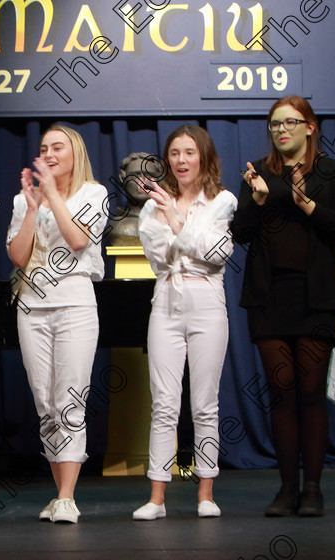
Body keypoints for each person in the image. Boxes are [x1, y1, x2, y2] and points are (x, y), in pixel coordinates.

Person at [233, 96, 335, 517]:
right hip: (269, 299)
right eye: (273, 125)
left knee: (310, 392)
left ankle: (313, 489)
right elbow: (240, 233)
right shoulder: (258, 173)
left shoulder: (330, 172)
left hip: (316, 299)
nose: (280, 130)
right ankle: (286, 489)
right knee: (282, 391)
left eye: (289, 122)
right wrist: (261, 199)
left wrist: (305, 203)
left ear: (310, 127)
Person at [132, 125, 237, 521]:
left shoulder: (222, 201)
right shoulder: (151, 205)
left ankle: (205, 493)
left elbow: (217, 253)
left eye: (189, 152)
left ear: (204, 156)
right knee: (163, 404)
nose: (180, 160)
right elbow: (159, 257)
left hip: (208, 301)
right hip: (167, 302)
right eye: (174, 153)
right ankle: (156, 498)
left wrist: (177, 221)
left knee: (205, 404)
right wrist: (180, 230)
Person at [6, 124, 108, 524]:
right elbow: (17, 255)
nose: (48, 153)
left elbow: (79, 240)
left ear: (75, 154)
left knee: (69, 400)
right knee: (45, 403)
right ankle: (59, 493)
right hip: (31, 305)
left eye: (57, 148)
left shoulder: (93, 193)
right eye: (43, 148)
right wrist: (32, 207)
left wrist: (51, 196)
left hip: (75, 304)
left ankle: (67, 496)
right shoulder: (24, 199)